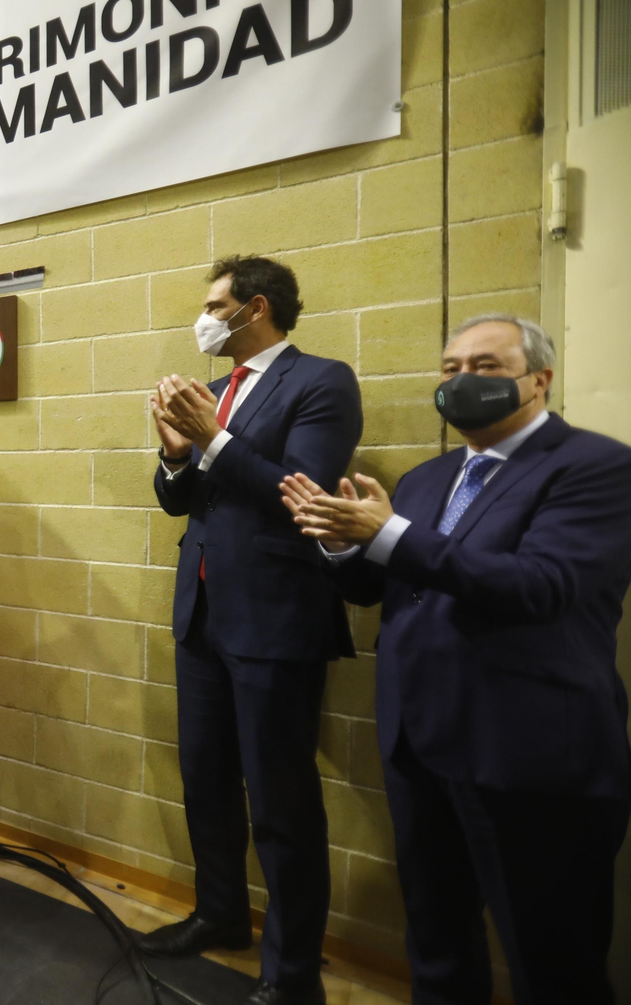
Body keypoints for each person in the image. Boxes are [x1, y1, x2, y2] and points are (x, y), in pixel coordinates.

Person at [280, 315, 631, 1005]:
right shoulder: (425, 478)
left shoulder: (597, 468)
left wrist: (389, 533)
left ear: (540, 380)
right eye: (450, 369)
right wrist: (340, 542)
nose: (463, 381)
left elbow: (540, 587)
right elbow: (380, 587)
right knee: (437, 942)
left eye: (486, 367)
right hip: (421, 744)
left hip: (530, 757)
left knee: (552, 960)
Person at [145, 256, 362, 1005]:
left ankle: (292, 975)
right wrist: (177, 457)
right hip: (202, 615)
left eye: (214, 305)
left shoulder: (322, 381)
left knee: (281, 802)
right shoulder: (214, 393)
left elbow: (300, 496)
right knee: (205, 779)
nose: (202, 318)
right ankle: (220, 914)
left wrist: (213, 440)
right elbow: (184, 501)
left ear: (254, 308)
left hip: (275, 620)